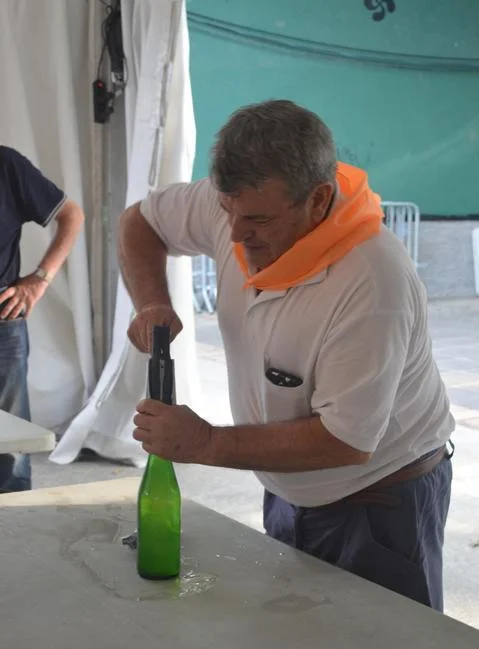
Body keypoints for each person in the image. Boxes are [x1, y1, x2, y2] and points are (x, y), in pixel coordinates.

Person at [119, 100, 455, 611]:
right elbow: (139, 222)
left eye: (257, 219)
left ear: (317, 200)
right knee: (293, 643)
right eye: (227, 211)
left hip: (379, 503)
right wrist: (151, 302)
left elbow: (345, 440)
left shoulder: (371, 282)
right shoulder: (238, 202)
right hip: (287, 490)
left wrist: (205, 441)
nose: (234, 235)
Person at [0, 145, 84, 492]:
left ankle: (14, 518)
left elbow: (72, 215)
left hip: (3, 320)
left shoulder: (6, 165)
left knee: (10, 446)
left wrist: (40, 279)